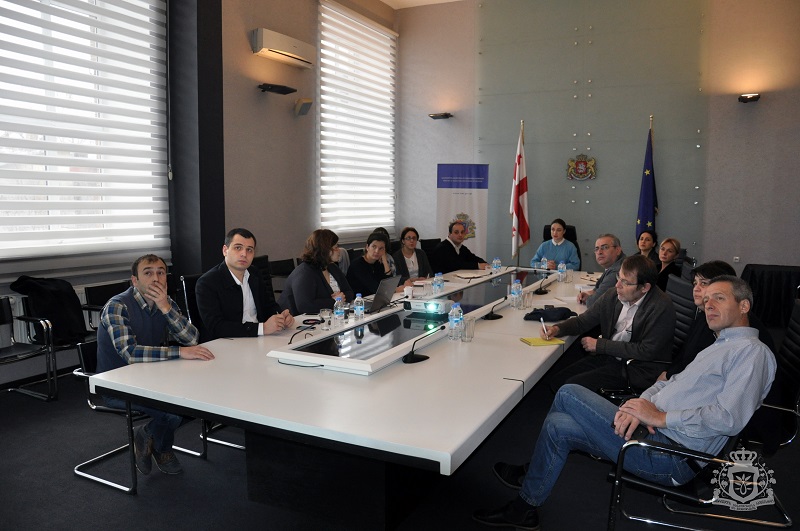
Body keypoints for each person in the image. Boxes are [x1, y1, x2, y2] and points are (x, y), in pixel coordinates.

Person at [474, 276, 776, 530]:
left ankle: (528, 479)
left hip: (671, 455)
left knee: (567, 393)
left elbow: (728, 418)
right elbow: (669, 384)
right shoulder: (721, 344)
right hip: (654, 433)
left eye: (719, 298)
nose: (708, 305)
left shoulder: (751, 353)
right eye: (706, 299)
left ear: (744, 306)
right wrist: (639, 405)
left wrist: (660, 417)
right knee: (557, 426)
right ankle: (525, 507)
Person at [97, 254, 215, 475]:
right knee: (173, 412)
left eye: (161, 272)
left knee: (201, 400)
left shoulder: (165, 302)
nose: (156, 278)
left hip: (151, 378)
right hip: (116, 385)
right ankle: (162, 448)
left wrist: (165, 307)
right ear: (135, 280)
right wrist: (179, 352)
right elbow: (130, 353)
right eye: (148, 273)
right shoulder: (117, 306)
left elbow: (192, 339)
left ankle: (148, 434)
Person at [545, 254, 676, 393]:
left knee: (570, 387)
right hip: (611, 356)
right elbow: (584, 321)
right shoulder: (613, 295)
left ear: (644, 287)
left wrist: (601, 345)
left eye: (625, 282)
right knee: (558, 381)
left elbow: (646, 351)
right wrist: (557, 329)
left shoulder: (661, 307)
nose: (617, 285)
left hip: (638, 367)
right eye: (618, 277)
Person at [660, 260, 775, 380]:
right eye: (695, 283)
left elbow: (698, 367)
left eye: (703, 283)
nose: (696, 289)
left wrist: (668, 377)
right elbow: (686, 353)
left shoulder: (727, 322)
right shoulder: (705, 315)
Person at [196, 228, 295, 341]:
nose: (244, 254)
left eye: (249, 250)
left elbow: (268, 305)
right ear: (225, 250)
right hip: (227, 343)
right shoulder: (207, 283)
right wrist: (262, 328)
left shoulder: (255, 274)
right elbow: (216, 326)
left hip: (259, 339)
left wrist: (281, 316)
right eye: (238, 248)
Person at [278, 229, 354, 315]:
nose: (339, 250)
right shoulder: (304, 273)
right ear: (325, 250)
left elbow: (349, 292)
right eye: (336, 247)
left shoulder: (332, 267)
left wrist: (339, 299)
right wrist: (334, 301)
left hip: (328, 316)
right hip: (295, 320)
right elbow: (305, 306)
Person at [576, 234, 625, 307]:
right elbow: (598, 289)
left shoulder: (617, 271)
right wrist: (589, 293)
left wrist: (589, 298)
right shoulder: (616, 265)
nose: (599, 252)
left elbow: (594, 302)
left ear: (618, 250)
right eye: (597, 249)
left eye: (605, 247)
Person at [346, 231, 400, 296]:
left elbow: (388, 282)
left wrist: (385, 260)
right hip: (359, 300)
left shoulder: (378, 262)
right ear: (367, 247)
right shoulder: (357, 265)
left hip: (374, 298)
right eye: (374, 247)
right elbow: (375, 289)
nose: (377, 251)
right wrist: (396, 290)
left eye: (381, 248)